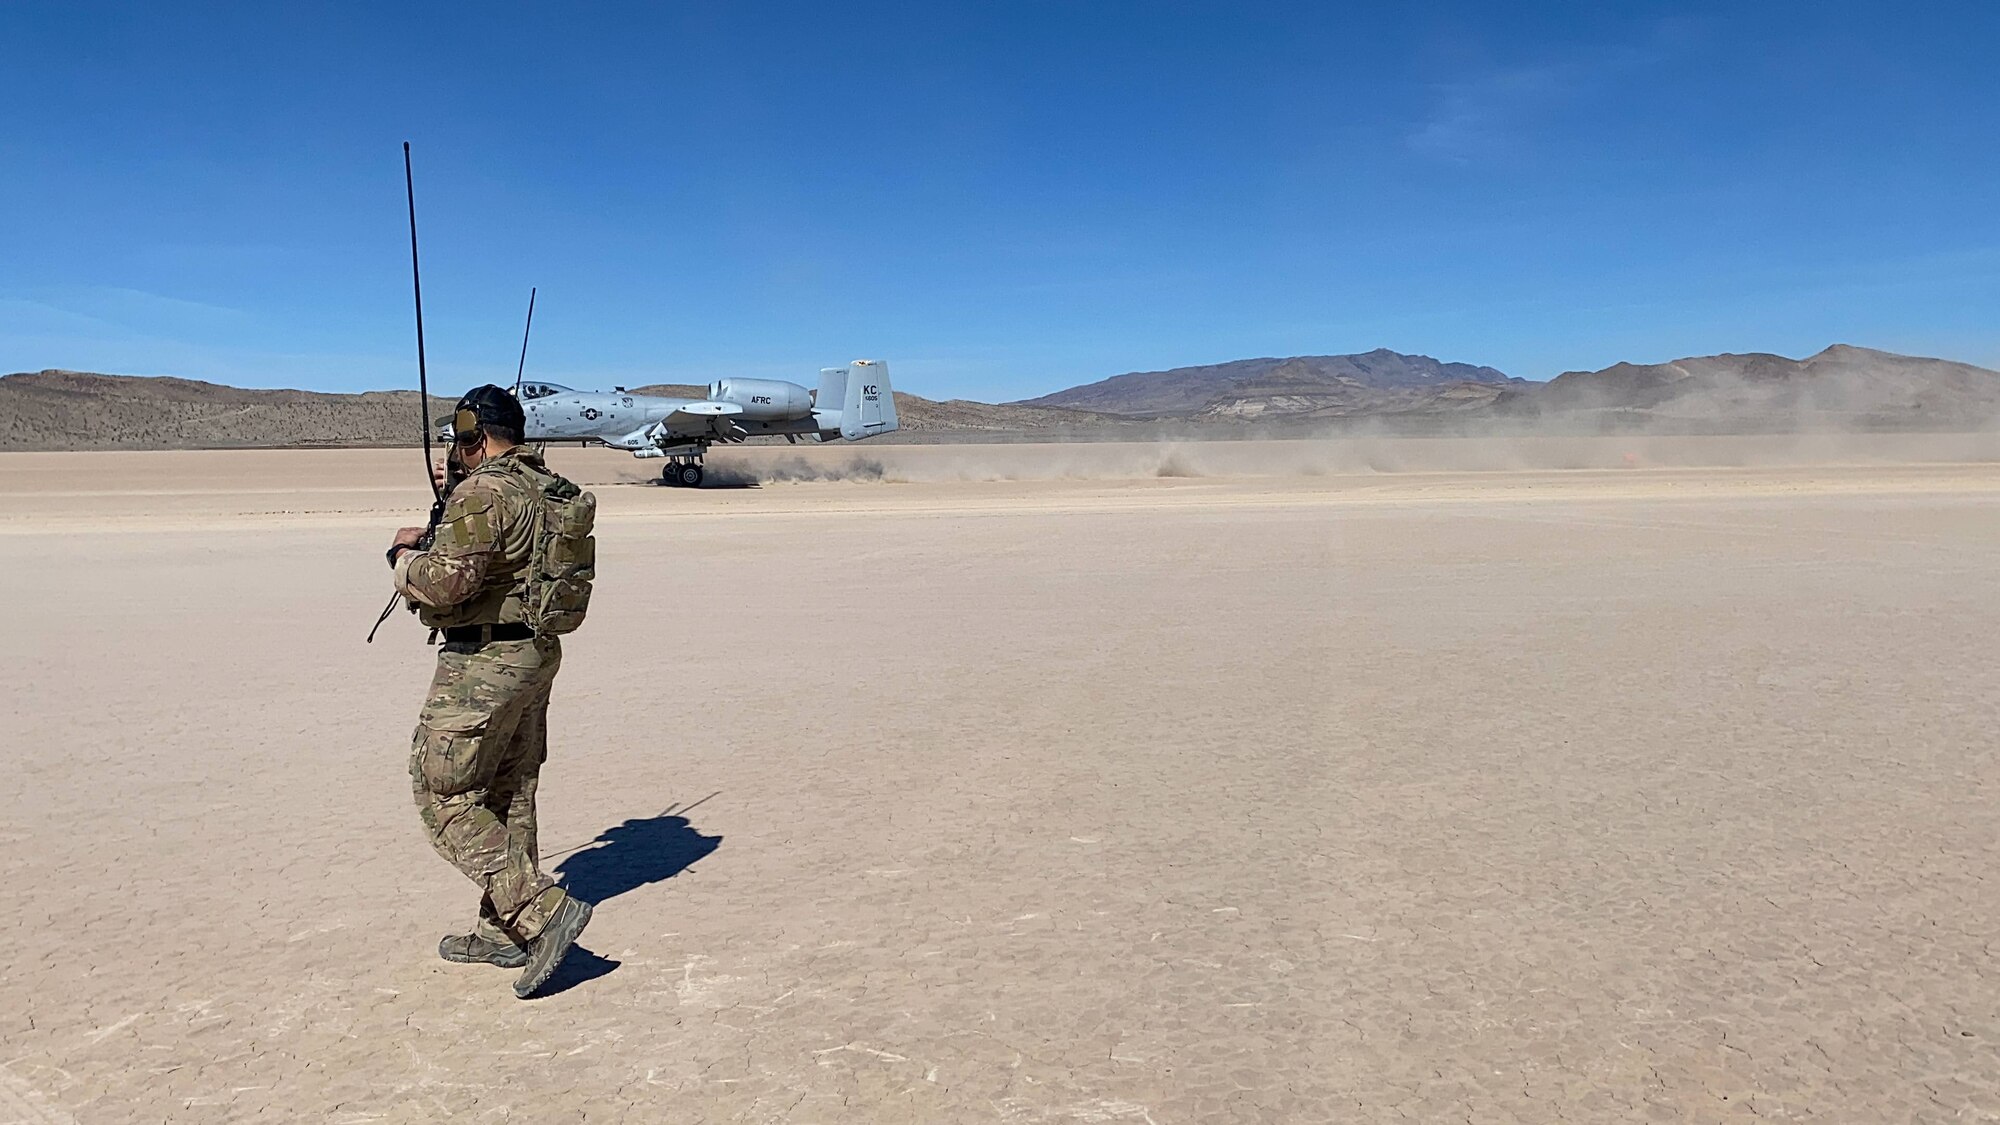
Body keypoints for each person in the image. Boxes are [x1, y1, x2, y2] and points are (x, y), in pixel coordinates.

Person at [387, 384, 593, 999]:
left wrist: (403, 556)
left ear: (473, 435)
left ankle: (541, 911)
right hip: (535, 654)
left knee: (444, 795)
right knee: (509, 791)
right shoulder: (546, 486)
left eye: (460, 440)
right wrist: (456, 489)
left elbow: (445, 584)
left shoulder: (483, 493)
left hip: (484, 662)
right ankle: (503, 932)